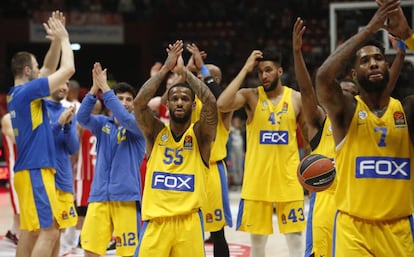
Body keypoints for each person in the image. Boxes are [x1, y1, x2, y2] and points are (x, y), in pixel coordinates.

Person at [293, 16, 406, 257]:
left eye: (349, 92)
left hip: (377, 209)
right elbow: (309, 89)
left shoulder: (375, 113)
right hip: (331, 202)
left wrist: (401, 53)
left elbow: (384, 91)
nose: (343, 93)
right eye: (339, 90)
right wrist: (297, 53)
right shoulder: (325, 121)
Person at [217, 46, 306, 256]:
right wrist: (246, 68)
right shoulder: (251, 97)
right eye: (260, 72)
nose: (263, 76)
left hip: (288, 180)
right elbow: (222, 104)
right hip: (257, 182)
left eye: (268, 70)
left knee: (294, 239)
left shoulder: (296, 99)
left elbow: (309, 141)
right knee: (257, 245)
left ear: (280, 71)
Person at [133, 40, 217, 257]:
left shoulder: (200, 136)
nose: (179, 102)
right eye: (175, 99)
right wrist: (165, 69)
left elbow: (211, 103)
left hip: (188, 223)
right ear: (167, 105)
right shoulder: (155, 132)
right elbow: (139, 103)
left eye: (185, 99)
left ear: (193, 104)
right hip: (156, 222)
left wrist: (184, 72)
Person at [7, 10, 75, 257]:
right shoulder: (27, 93)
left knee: (31, 232)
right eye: (35, 68)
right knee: (50, 231)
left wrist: (55, 41)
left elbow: (47, 67)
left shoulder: (18, 95)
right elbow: (66, 69)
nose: (40, 70)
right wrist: (66, 39)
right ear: (27, 71)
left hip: (29, 170)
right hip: (36, 169)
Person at [77, 62, 146, 257]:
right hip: (99, 196)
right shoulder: (102, 123)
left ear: (133, 104)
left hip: (126, 198)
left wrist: (106, 89)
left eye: (128, 99)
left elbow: (124, 118)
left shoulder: (138, 125)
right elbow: (82, 118)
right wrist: (94, 88)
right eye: (120, 98)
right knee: (90, 251)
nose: (124, 102)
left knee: (128, 253)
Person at [186, 42, 233, 257]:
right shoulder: (191, 100)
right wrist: (189, 67)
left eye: (205, 76)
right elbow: (177, 84)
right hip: (191, 167)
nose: (201, 78)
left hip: (213, 171)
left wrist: (202, 66)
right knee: (188, 226)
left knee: (216, 231)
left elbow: (214, 91)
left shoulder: (224, 105)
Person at [44, 82, 79, 256]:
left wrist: (67, 125)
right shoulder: (40, 109)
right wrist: (59, 122)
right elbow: (41, 142)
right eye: (60, 82)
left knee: (57, 231)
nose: (65, 87)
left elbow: (72, 148)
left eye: (66, 83)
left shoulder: (67, 111)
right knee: (47, 232)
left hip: (64, 179)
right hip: (44, 177)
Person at [1, 113, 20, 245]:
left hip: (31, 166)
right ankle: (18, 234)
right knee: (20, 206)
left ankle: (13, 231)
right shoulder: (8, 118)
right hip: (16, 169)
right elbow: (15, 139)